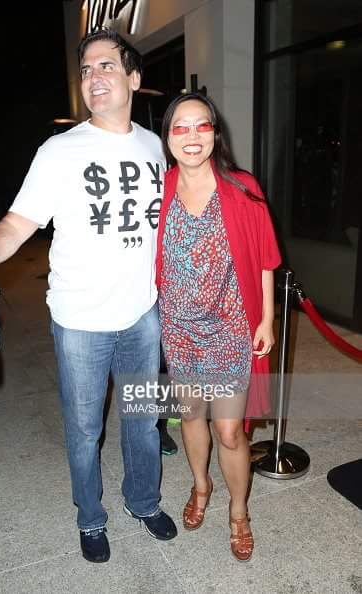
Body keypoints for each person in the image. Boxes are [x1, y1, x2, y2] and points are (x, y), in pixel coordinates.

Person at [0, 30, 178, 564]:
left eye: (106, 66)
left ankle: (143, 501)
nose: (93, 77)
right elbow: (18, 221)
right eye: (85, 70)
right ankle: (90, 517)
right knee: (84, 429)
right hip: (80, 319)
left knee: (143, 419)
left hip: (143, 314)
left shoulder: (154, 145)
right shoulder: (59, 151)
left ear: (134, 78)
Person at [156, 92, 281, 561]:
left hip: (230, 326)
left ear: (215, 133)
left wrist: (266, 317)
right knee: (190, 416)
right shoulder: (163, 186)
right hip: (180, 329)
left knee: (229, 430)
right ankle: (201, 486)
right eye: (180, 127)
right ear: (168, 137)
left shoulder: (242, 187)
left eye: (201, 126)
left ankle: (240, 513)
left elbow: (266, 258)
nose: (191, 136)